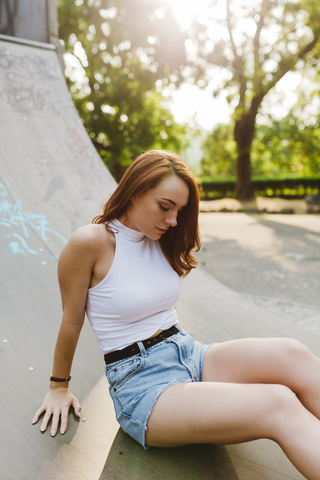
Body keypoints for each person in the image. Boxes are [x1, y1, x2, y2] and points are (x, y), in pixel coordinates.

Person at [32, 150, 320, 480]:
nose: (172, 220)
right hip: (143, 387)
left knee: (293, 353)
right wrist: (58, 387)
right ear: (135, 190)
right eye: (165, 206)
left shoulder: (159, 237)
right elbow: (71, 319)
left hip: (189, 354)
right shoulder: (90, 243)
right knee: (277, 403)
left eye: (179, 211)